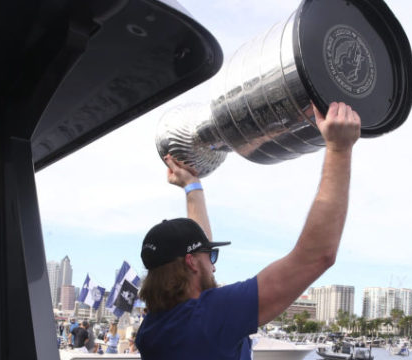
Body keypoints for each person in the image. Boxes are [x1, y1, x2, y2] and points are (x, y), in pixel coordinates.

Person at [136, 102, 361, 359]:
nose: (215, 266)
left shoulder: (153, 329)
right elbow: (316, 256)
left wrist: (192, 186)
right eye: (211, 258)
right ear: (191, 263)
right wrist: (339, 148)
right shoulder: (211, 318)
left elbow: (197, 246)